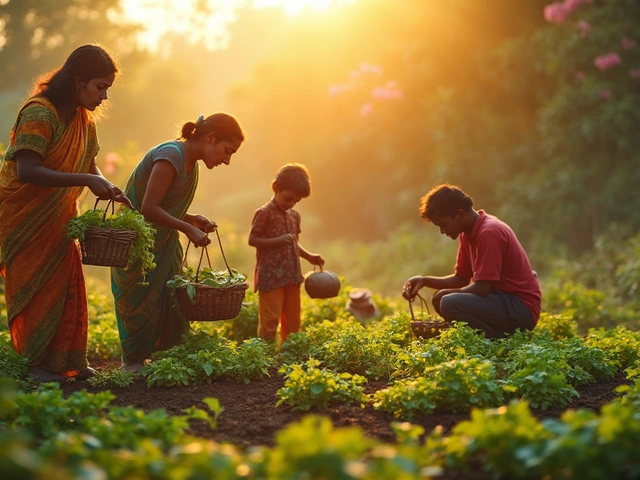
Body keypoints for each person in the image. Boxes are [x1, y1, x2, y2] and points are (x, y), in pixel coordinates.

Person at [0, 44, 130, 382]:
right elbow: (27, 170)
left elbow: (90, 165)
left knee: (64, 283)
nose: (104, 96)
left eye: (107, 89)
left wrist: (107, 186)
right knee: (35, 286)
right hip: (24, 217)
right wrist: (87, 179)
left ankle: (64, 359)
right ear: (77, 82)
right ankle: (32, 365)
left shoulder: (84, 122)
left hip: (59, 217)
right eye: (99, 87)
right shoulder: (40, 113)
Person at [111, 113, 244, 372]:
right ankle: (133, 362)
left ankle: (166, 359)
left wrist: (192, 219)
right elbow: (148, 208)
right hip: (141, 243)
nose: (226, 160)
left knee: (171, 300)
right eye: (227, 151)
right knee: (140, 297)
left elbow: (164, 206)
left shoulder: (190, 164)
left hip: (165, 244)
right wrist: (186, 228)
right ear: (211, 138)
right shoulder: (171, 156)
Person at [402, 184, 541, 339]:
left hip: (519, 308)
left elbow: (482, 288)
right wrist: (425, 280)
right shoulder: (467, 234)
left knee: (448, 302)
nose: (443, 231)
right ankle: (487, 335)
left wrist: (448, 296)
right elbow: (461, 278)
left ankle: (496, 341)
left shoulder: (489, 232)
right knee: (441, 299)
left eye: (444, 224)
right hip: (502, 302)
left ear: (460, 214)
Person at [248, 163, 325, 344]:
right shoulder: (264, 213)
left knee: (293, 320)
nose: (290, 204)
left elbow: (293, 245)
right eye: (287, 198)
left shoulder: (294, 216)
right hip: (271, 276)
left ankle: (289, 356)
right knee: (270, 320)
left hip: (292, 276)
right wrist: (278, 240)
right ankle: (265, 359)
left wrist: (309, 256)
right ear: (275, 187)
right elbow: (253, 240)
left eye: (295, 201)